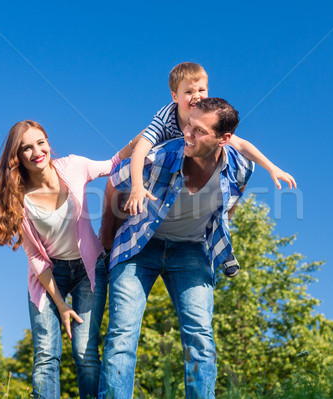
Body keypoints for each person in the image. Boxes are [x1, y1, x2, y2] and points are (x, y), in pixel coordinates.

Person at [98, 98, 254, 398]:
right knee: (122, 334)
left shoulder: (241, 167)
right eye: (188, 126)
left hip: (191, 250)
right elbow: (113, 184)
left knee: (200, 337)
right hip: (139, 247)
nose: (188, 134)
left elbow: (235, 192)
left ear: (224, 139)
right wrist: (107, 240)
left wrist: (217, 221)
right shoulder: (159, 157)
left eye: (199, 131)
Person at [0, 120, 127, 399]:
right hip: (50, 276)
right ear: (18, 157)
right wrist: (61, 305)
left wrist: (150, 135)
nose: (36, 151)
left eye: (40, 143)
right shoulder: (18, 199)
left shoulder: (73, 166)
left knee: (86, 353)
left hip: (89, 269)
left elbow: (113, 162)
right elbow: (36, 257)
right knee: (46, 356)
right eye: (26, 148)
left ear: (48, 143)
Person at [114, 62, 295, 277]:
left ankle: (222, 248)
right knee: (136, 144)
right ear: (175, 97)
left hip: (187, 161)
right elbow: (141, 150)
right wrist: (136, 186)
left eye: (201, 90)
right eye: (188, 92)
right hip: (160, 156)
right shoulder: (165, 117)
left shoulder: (206, 116)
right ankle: (113, 160)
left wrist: (272, 167)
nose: (197, 96)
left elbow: (241, 144)